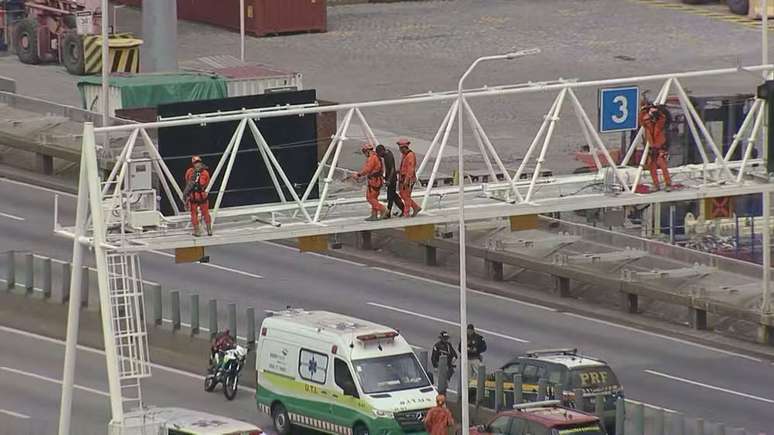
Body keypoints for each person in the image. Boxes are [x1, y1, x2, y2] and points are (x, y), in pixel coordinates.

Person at [639, 101, 672, 192]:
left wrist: (658, 111)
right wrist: (643, 110)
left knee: (662, 164)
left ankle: (668, 184)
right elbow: (642, 120)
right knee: (651, 165)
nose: (648, 121)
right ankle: (656, 185)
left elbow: (662, 118)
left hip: (661, 147)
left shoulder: (660, 124)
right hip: (653, 147)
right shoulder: (647, 125)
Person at [352, 143, 387, 221]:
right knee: (374, 198)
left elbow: (367, 169)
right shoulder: (376, 157)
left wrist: (358, 174)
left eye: (364, 152)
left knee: (370, 198)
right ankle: (374, 215)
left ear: (367, 151)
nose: (364, 154)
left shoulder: (372, 158)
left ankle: (383, 209)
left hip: (374, 181)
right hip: (378, 180)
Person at [183, 155, 213, 236]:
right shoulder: (205, 172)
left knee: (195, 214)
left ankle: (198, 231)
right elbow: (207, 182)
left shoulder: (190, 172)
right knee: (204, 213)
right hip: (201, 195)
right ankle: (209, 230)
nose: (197, 164)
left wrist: (186, 196)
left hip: (194, 195)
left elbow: (187, 182)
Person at [375, 144, 404, 218]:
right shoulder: (387, 154)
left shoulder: (388, 157)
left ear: (382, 151)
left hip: (392, 179)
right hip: (390, 178)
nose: (379, 156)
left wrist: (389, 180)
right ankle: (403, 209)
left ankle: (388, 213)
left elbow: (392, 169)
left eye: (379, 154)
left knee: (390, 197)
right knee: (393, 195)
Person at [397, 139, 421, 217]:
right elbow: (404, 167)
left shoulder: (410, 155)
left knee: (406, 196)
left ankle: (406, 213)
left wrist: (407, 180)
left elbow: (410, 169)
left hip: (408, 179)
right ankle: (415, 207)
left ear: (404, 147)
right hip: (403, 178)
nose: (400, 150)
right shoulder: (405, 155)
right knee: (403, 194)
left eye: (400, 148)